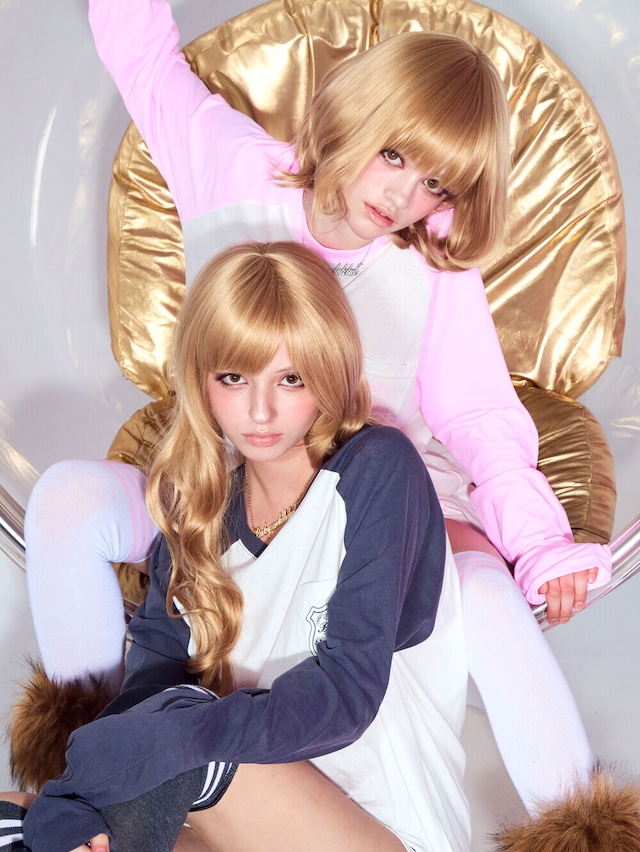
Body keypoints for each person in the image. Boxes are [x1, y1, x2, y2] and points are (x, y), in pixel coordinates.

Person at [9, 0, 623, 840]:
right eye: (395, 156)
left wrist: (541, 542)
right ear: (356, 114)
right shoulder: (234, 170)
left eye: (436, 183)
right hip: (227, 488)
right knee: (67, 502)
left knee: (484, 597)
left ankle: (589, 831)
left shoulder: (429, 267)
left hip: (372, 503)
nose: (404, 197)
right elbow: (146, 64)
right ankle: (89, 780)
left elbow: (479, 412)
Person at [3, 240, 470, 852]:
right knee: (16, 816)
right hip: (225, 820)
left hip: (386, 828)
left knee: (190, 743)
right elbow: (147, 694)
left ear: (329, 370)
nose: (260, 411)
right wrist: (82, 799)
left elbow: (346, 694)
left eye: (291, 379)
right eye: (233, 377)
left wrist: (154, 746)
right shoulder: (199, 511)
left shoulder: (377, 469)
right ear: (201, 380)